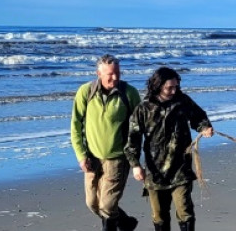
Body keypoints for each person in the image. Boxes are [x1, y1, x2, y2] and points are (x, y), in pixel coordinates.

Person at [125, 66, 214, 231]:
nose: (174, 91)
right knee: (159, 215)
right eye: (169, 87)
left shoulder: (182, 101)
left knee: (185, 211)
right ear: (158, 85)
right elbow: (133, 139)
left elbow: (198, 117)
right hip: (155, 171)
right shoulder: (144, 108)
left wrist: (204, 127)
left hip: (181, 168)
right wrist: (135, 165)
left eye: (176, 86)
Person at [71, 54, 142, 231]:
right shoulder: (85, 92)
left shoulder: (129, 93)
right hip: (91, 159)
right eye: (110, 74)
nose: (115, 77)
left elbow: (138, 129)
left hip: (117, 158)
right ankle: (126, 223)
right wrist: (81, 156)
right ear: (98, 73)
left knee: (108, 206)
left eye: (118, 73)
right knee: (92, 203)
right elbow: (75, 126)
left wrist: (135, 163)